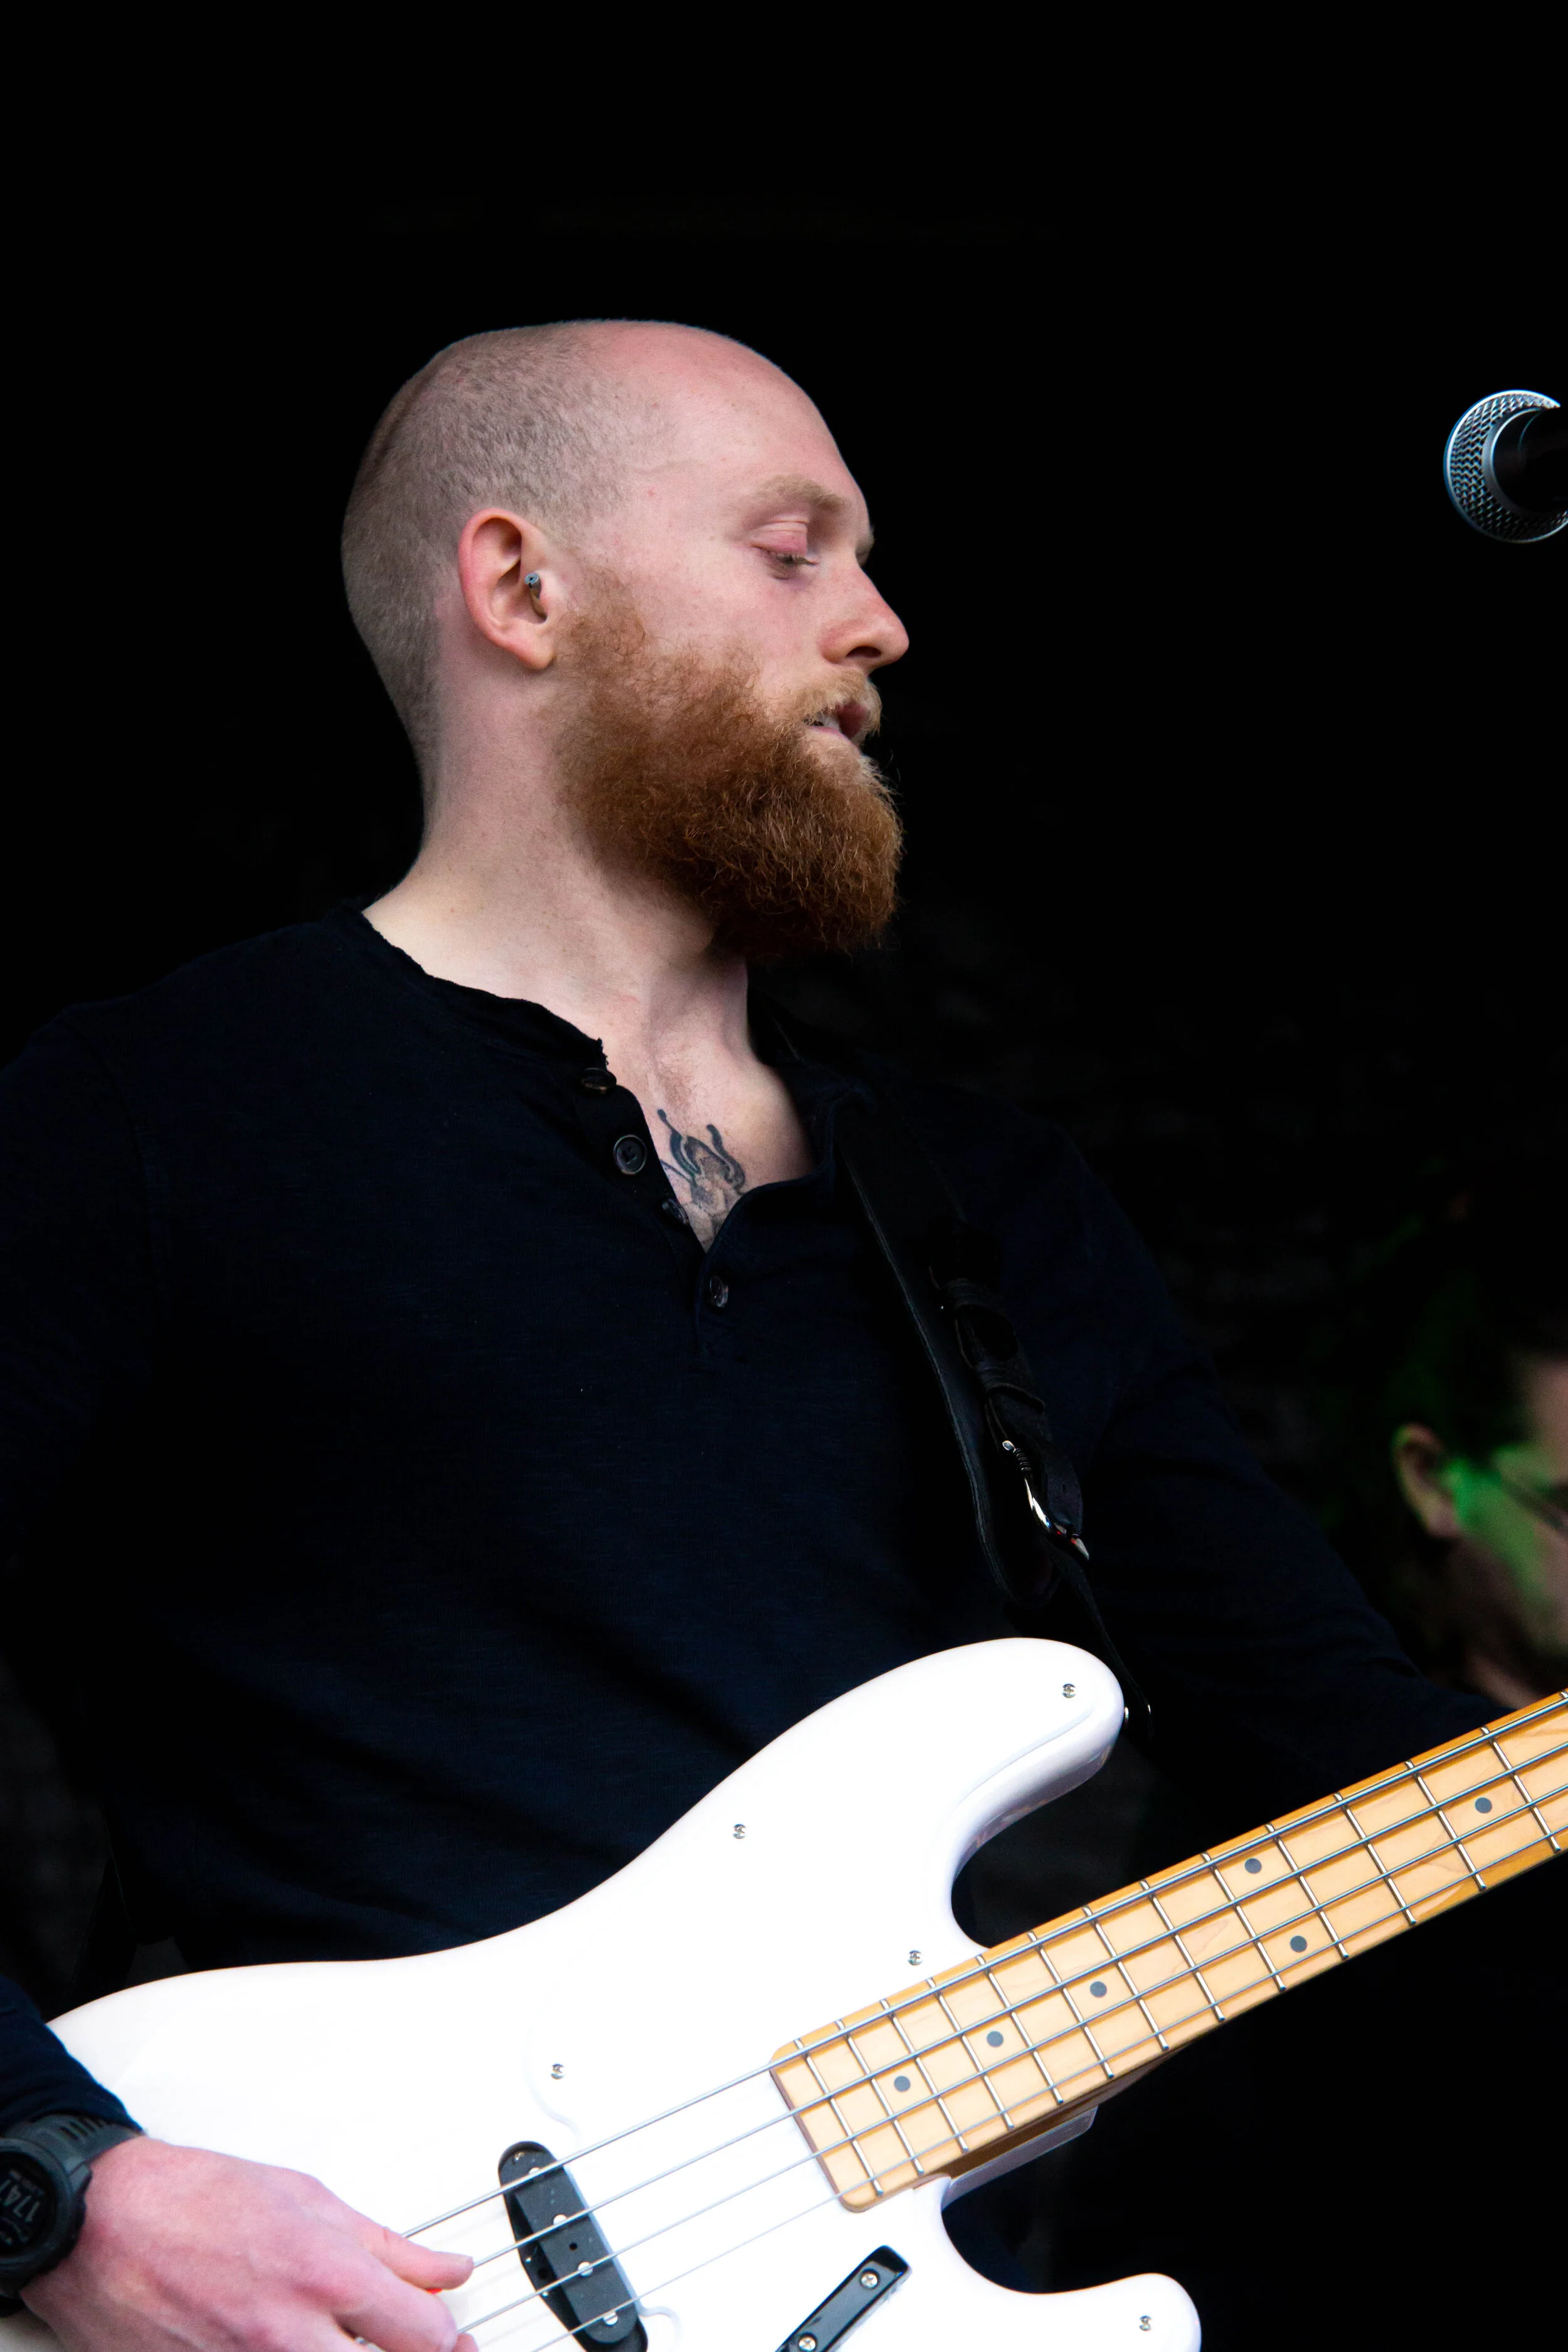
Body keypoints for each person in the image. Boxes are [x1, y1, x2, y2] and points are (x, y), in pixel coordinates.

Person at [0, 321, 1523, 2349]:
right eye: (793, 550)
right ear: (520, 586)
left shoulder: (991, 1205)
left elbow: (1356, 1756)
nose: (879, 625)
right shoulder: (153, 1114)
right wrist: (58, 2181)